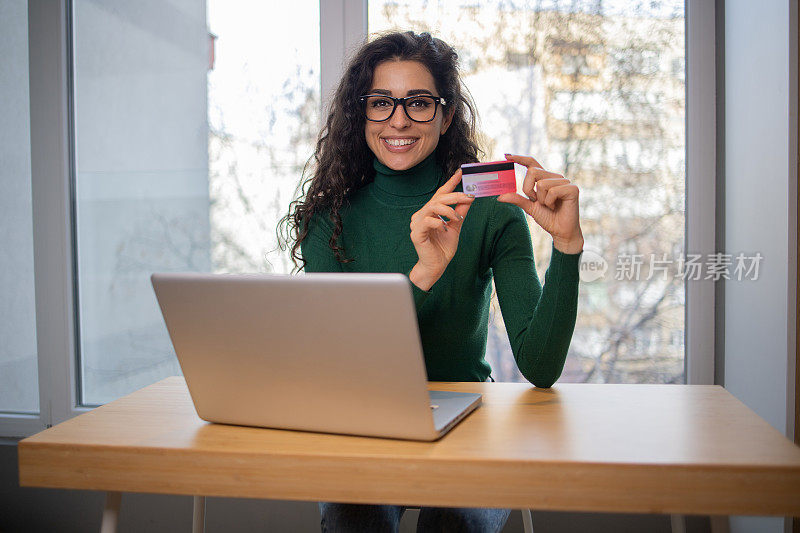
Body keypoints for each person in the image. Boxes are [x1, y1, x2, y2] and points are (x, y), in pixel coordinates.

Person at [279, 31, 583, 533]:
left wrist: (568, 248)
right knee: (356, 522)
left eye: (418, 103)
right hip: (367, 424)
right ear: (361, 115)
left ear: (445, 117)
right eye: (381, 103)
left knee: (454, 524)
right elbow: (344, 366)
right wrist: (423, 274)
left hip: (472, 423)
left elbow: (541, 366)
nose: (399, 120)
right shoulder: (327, 219)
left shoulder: (491, 212)